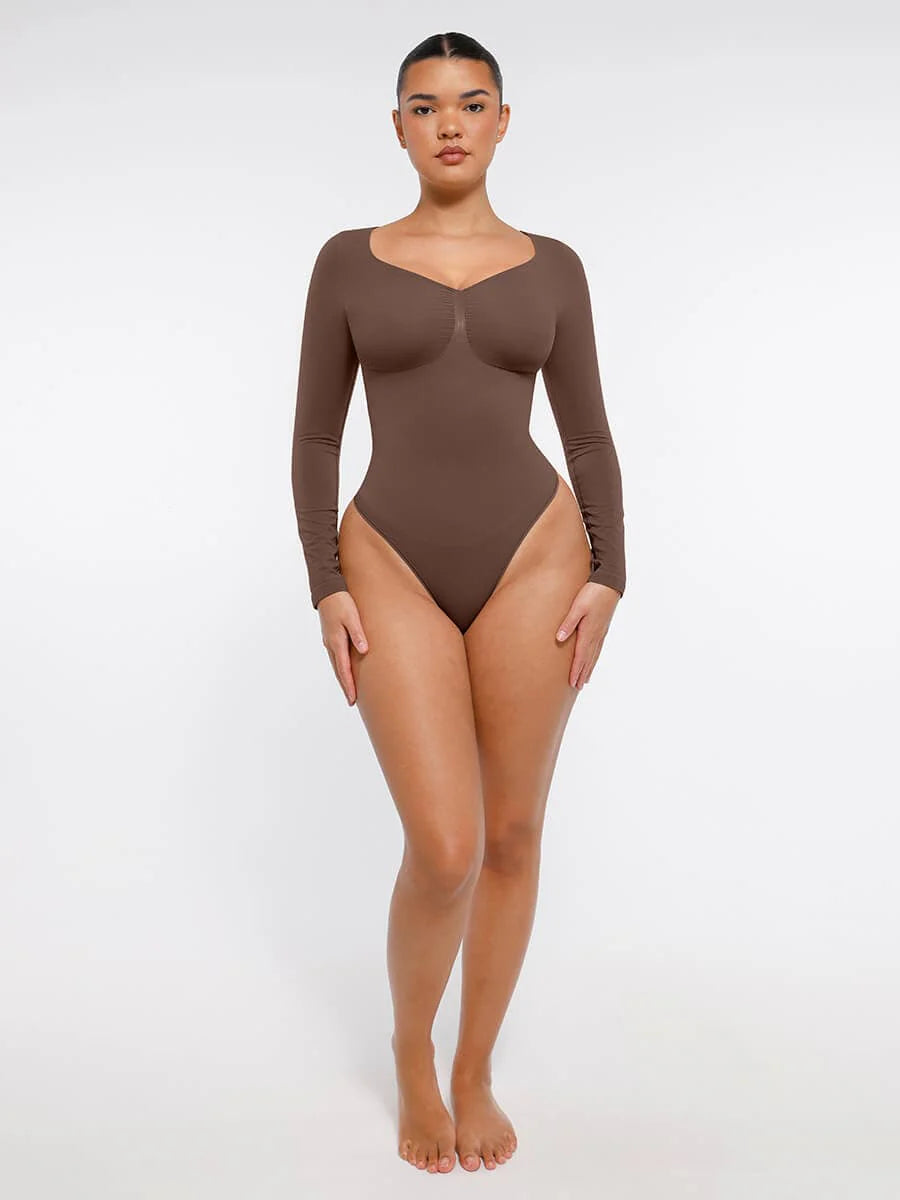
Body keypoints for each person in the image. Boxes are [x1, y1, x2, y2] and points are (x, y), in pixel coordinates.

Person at [291, 31, 626, 1176]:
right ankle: (411, 1049)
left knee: (514, 833)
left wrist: (610, 573)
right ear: (398, 127)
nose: (449, 123)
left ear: (502, 122)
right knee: (445, 848)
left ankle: (475, 1066)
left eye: (472, 103)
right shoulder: (346, 261)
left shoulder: (554, 265)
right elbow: (316, 437)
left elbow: (587, 436)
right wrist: (326, 584)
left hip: (537, 556)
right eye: (426, 105)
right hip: (387, 559)